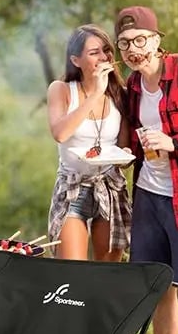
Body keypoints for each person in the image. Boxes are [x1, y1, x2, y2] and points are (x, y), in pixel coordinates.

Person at [111, 6, 178, 334]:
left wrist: (176, 142)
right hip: (149, 195)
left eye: (140, 40)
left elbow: (176, 138)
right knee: (160, 287)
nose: (133, 49)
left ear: (158, 39)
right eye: (125, 44)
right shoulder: (133, 86)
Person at [46, 25, 131, 266]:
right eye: (94, 52)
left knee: (107, 274)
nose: (104, 57)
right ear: (76, 59)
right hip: (73, 187)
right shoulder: (61, 89)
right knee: (73, 273)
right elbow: (60, 134)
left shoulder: (119, 94)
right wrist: (95, 92)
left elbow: (123, 151)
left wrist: (124, 155)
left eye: (106, 51)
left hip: (110, 187)